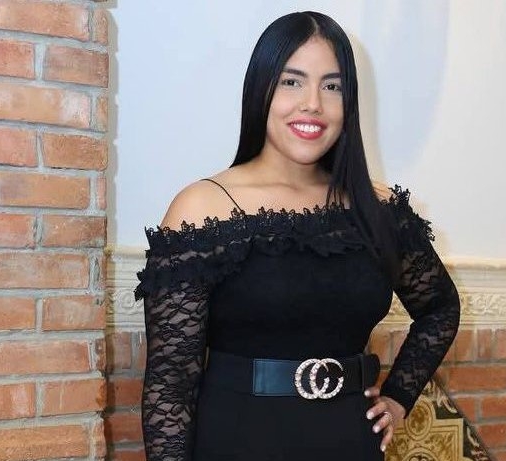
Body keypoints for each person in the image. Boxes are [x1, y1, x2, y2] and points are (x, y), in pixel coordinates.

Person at [134, 10, 460, 461]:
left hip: (351, 444)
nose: (312, 104)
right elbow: (170, 387)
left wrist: (399, 398)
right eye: (292, 81)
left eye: (332, 86)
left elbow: (440, 309)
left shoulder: (378, 208)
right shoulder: (202, 208)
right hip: (236, 444)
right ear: (261, 89)